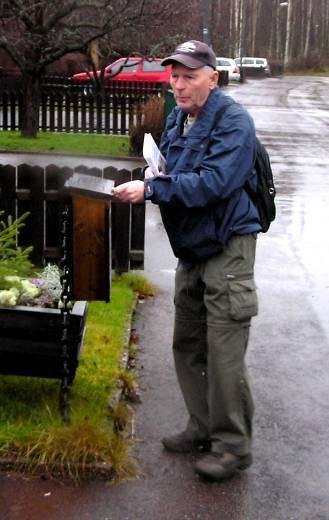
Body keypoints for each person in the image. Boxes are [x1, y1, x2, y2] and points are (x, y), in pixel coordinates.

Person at [112, 40, 262, 482]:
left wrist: (154, 190)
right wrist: (155, 177)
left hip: (229, 245)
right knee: (188, 342)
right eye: (174, 76)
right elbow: (177, 172)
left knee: (224, 351)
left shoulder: (234, 121)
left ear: (213, 79)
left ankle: (232, 447)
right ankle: (202, 426)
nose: (178, 85)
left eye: (189, 76)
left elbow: (214, 182)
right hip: (194, 245)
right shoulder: (180, 118)